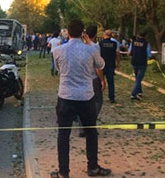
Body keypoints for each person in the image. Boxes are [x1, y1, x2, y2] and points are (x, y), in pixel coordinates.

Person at [51, 19, 111, 178]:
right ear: (83, 33)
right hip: (86, 96)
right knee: (91, 132)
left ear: (68, 33)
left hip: (65, 96)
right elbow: (101, 65)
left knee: (63, 135)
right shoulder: (91, 50)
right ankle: (92, 167)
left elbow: (58, 69)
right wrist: (90, 43)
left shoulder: (58, 50)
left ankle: (63, 171)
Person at [79, 25, 106, 137]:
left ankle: (82, 128)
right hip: (93, 78)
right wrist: (102, 80)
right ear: (95, 35)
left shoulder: (80, 46)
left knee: (83, 103)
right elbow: (97, 66)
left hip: (81, 78)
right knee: (97, 102)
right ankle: (90, 125)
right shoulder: (95, 47)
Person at [129, 31, 152, 100]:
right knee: (139, 79)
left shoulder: (133, 42)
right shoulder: (146, 43)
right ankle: (133, 94)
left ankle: (139, 92)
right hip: (142, 62)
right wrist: (152, 57)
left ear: (138, 35)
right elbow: (149, 54)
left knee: (137, 77)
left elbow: (130, 51)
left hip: (134, 61)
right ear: (145, 36)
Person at [99, 30, 120, 103]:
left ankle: (98, 96)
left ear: (104, 34)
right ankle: (111, 97)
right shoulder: (114, 44)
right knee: (111, 82)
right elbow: (117, 54)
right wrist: (118, 64)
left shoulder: (100, 43)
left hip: (101, 65)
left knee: (99, 81)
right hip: (111, 65)